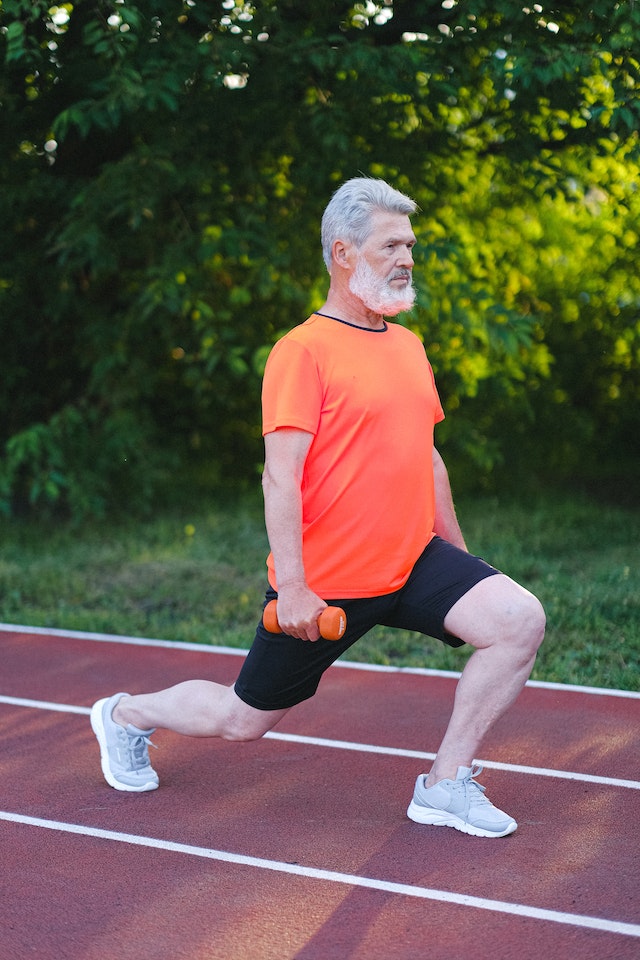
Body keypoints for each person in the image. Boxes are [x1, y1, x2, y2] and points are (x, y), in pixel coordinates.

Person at [91, 177, 545, 839]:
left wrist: (461, 555)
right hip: (326, 585)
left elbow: (429, 457)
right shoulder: (302, 352)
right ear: (343, 253)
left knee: (517, 620)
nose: (407, 257)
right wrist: (296, 587)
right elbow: (281, 478)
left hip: (412, 561)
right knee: (243, 720)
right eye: (392, 244)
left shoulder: (408, 347)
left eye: (410, 244)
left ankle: (446, 785)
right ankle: (126, 715)